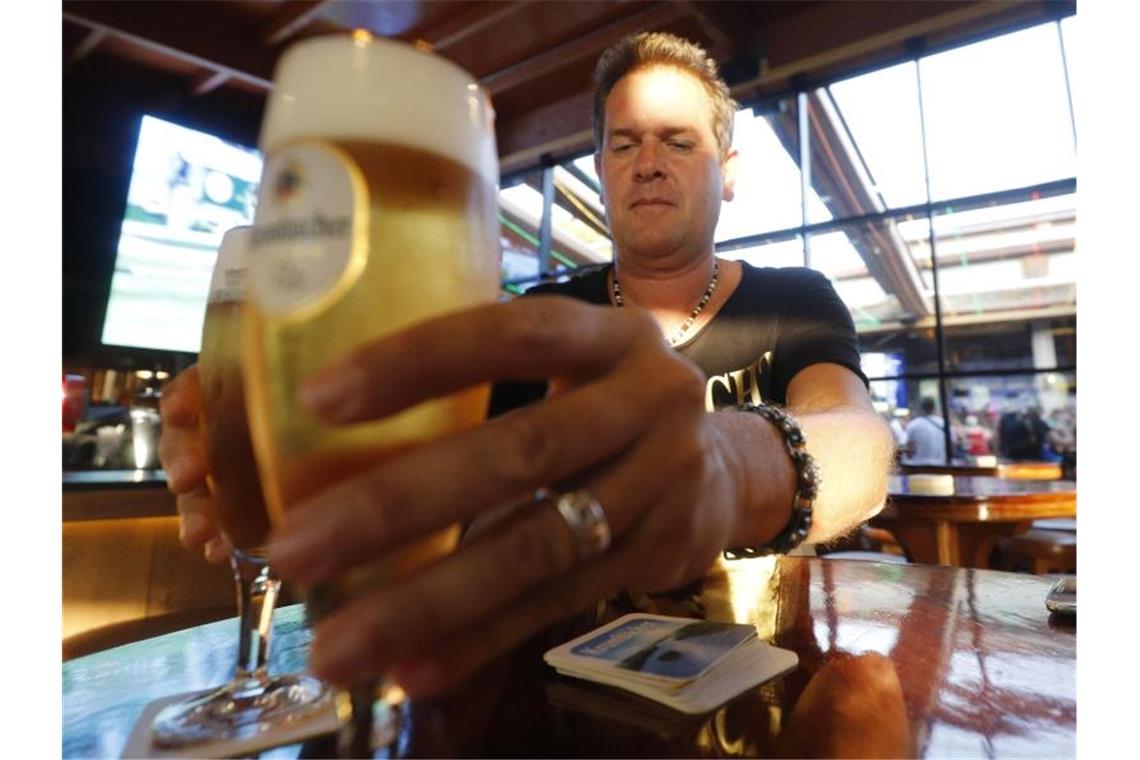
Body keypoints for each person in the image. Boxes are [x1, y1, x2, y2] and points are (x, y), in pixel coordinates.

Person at [159, 32, 893, 699]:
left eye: (678, 142)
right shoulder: (534, 325)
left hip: (771, 678)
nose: (647, 165)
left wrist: (728, 466)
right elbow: (432, 472)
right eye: (624, 144)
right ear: (601, 166)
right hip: (546, 694)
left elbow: (861, 449)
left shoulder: (793, 299)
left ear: (728, 172)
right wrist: (284, 434)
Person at [902, 397, 949, 465]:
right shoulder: (944, 424)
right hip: (941, 467)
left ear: (920, 408)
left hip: (918, 468)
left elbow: (909, 451)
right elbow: (951, 448)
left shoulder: (913, 425)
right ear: (934, 408)